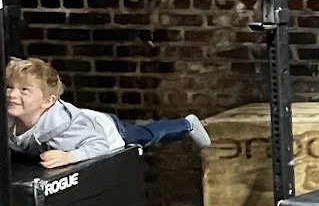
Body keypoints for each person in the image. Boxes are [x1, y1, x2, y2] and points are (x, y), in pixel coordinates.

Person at [5, 56, 211, 169]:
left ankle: (187, 125)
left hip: (107, 130)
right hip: (86, 122)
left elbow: (99, 145)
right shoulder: (9, 117)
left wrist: (69, 156)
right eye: (9, 87)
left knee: (146, 135)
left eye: (25, 90)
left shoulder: (64, 128)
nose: (12, 95)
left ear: (48, 101)